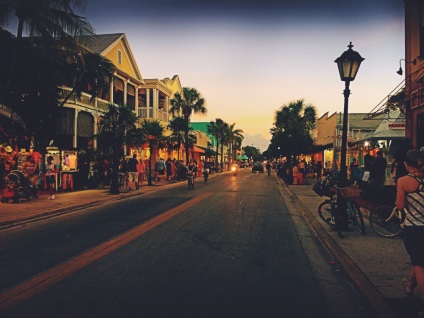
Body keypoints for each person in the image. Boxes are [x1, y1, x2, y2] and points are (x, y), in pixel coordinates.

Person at [395, 149, 424, 313]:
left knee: (420, 266)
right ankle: (409, 287)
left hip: (415, 228)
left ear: (407, 164)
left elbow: (399, 206)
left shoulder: (404, 181)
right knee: (419, 260)